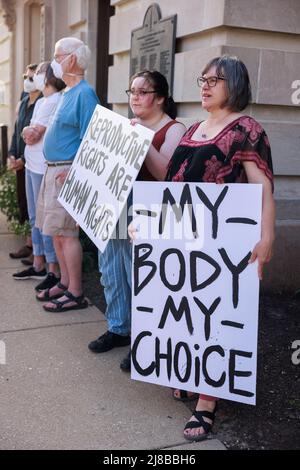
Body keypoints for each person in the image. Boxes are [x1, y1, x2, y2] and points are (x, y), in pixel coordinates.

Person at [129, 56, 275, 441]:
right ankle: (187, 372)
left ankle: (207, 401)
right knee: (183, 309)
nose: (205, 85)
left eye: (216, 80)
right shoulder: (194, 129)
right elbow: (170, 183)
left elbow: (262, 186)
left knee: (215, 314)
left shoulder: (247, 130)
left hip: (224, 245)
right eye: (203, 79)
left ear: (236, 84)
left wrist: (267, 235)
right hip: (183, 238)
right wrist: (144, 220)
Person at [88, 71, 186, 370]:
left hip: (150, 209)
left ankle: (145, 339)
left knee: (140, 273)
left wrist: (139, 139)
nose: (134, 96)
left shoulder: (174, 129)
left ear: (160, 97)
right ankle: (119, 328)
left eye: (142, 91)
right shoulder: (126, 123)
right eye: (132, 90)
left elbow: (165, 174)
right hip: (118, 203)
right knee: (111, 267)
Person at [35, 37, 99, 312]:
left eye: (58, 55)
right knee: (56, 233)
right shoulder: (67, 93)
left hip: (66, 171)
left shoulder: (85, 93)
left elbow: (91, 138)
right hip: (54, 169)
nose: (54, 62)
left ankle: (75, 292)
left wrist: (76, 171)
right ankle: (64, 282)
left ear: (72, 58)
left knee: (67, 233)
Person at [12, 62, 66, 293]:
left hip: (45, 166)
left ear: (50, 77)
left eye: (40, 73)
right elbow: (26, 130)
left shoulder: (58, 100)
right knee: (34, 217)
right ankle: (38, 262)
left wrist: (29, 132)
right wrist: (27, 133)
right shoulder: (41, 102)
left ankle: (52, 269)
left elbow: (33, 134)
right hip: (31, 164)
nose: (35, 78)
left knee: (46, 221)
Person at [8, 63, 42, 260]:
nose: (27, 81)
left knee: (36, 206)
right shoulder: (23, 102)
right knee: (24, 202)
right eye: (25, 77)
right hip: (21, 162)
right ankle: (29, 243)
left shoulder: (43, 103)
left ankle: (36, 249)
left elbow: (38, 136)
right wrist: (12, 154)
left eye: (31, 78)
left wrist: (22, 159)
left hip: (32, 161)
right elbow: (16, 131)